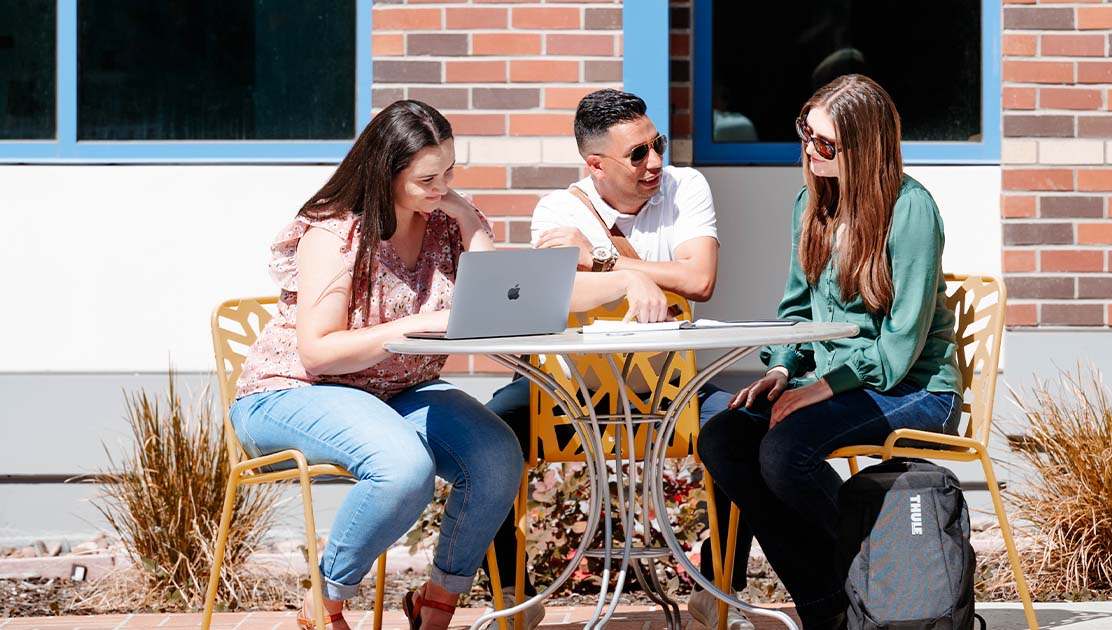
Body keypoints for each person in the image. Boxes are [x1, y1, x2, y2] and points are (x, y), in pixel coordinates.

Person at [229, 100, 523, 630]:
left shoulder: (443, 223)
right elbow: (319, 351)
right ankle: (325, 602)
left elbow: (492, 302)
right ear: (386, 173)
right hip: (293, 391)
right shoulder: (335, 233)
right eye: (427, 178)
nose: (441, 188)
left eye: (450, 173)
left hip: (393, 394)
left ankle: (436, 603)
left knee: (497, 455)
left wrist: (468, 216)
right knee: (402, 468)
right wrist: (411, 329)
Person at [696, 74, 963, 630]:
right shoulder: (812, 202)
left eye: (825, 144)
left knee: (783, 451)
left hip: (914, 387)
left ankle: (869, 584)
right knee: (723, 436)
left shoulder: (911, 211)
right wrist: (783, 369)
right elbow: (796, 311)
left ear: (863, 149)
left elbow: (899, 349)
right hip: (839, 382)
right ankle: (829, 603)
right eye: (806, 133)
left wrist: (818, 388)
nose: (809, 150)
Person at [482, 88, 752, 630]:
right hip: (568, 393)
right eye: (637, 154)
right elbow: (564, 298)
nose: (655, 162)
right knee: (484, 434)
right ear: (596, 165)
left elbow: (699, 280)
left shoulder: (686, 186)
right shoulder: (557, 210)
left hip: (672, 388)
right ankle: (515, 594)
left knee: (743, 430)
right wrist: (638, 276)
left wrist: (605, 257)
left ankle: (720, 589)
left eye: (658, 144)